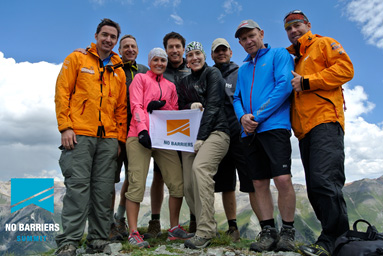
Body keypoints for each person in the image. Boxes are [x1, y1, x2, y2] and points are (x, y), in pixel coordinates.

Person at [54, 18, 127, 256]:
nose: (108, 39)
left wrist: (118, 139)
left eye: (113, 36)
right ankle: (69, 242)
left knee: (103, 190)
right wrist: (65, 127)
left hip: (108, 139)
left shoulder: (118, 71)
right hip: (79, 135)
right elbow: (62, 92)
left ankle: (97, 238)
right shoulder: (76, 59)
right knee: (77, 188)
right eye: (104, 34)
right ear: (96, 35)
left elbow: (121, 109)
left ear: (116, 40)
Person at [283, 10, 354, 256]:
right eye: (288, 28)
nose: (293, 31)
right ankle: (333, 241)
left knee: (325, 181)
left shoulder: (324, 44)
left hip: (326, 121)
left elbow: (346, 69)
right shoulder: (293, 58)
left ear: (308, 25)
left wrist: (307, 82)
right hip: (304, 131)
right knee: (315, 186)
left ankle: (335, 240)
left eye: (297, 26)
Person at [233, 19, 296, 252]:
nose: (248, 41)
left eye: (251, 36)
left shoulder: (279, 54)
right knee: (259, 182)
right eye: (243, 38)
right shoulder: (243, 68)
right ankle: (268, 231)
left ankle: (287, 232)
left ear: (261, 33)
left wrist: (256, 116)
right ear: (239, 43)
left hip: (274, 126)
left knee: (282, 179)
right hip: (248, 131)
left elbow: (284, 86)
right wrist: (242, 118)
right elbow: (237, 97)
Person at [125, 48, 193, 248]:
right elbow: (136, 105)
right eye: (156, 60)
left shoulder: (170, 85)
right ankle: (133, 233)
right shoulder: (140, 79)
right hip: (139, 136)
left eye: (163, 60)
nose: (160, 63)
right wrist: (142, 130)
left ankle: (173, 229)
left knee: (177, 183)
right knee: (136, 183)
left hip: (163, 138)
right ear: (150, 61)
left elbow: (172, 112)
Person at [178, 41, 230, 249]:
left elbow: (215, 104)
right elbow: (180, 105)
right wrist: (189, 105)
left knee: (201, 169)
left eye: (197, 53)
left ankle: (206, 230)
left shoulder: (213, 73)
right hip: (190, 136)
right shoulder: (184, 82)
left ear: (204, 56)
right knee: (188, 183)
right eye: (190, 56)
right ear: (186, 61)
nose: (194, 58)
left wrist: (201, 136)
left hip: (217, 132)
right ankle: (202, 226)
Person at [144, 31, 193, 239]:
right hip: (163, 130)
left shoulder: (192, 68)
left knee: (187, 175)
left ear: (183, 49)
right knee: (159, 176)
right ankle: (155, 221)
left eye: (177, 47)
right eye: (170, 47)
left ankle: (191, 221)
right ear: (165, 50)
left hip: (187, 129)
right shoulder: (158, 69)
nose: (174, 50)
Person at [210, 38, 260, 242]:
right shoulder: (210, 74)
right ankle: (232, 227)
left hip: (241, 135)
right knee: (226, 184)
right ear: (212, 55)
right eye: (217, 51)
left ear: (231, 52)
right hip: (219, 134)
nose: (221, 54)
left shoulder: (242, 71)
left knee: (251, 182)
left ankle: (266, 227)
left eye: (224, 50)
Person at [109, 34, 149, 241]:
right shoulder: (112, 69)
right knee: (110, 180)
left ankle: (120, 218)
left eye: (133, 46)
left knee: (132, 177)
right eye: (126, 46)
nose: (130, 49)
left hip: (137, 133)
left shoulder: (144, 71)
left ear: (138, 49)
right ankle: (109, 224)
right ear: (120, 49)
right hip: (115, 133)